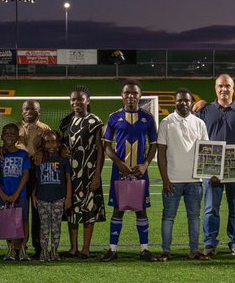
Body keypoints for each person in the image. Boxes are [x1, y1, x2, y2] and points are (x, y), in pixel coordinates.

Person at [195, 74, 235, 256]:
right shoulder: (205, 111)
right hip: (211, 167)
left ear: (233, 88)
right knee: (210, 208)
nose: (224, 89)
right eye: (220, 86)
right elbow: (197, 140)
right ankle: (210, 243)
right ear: (215, 88)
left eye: (227, 86)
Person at [101, 79, 158, 262]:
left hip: (140, 172)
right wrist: (118, 163)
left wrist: (145, 164)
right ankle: (112, 249)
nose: (131, 96)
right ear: (122, 96)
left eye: (134, 93)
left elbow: (154, 145)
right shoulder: (114, 117)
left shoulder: (148, 118)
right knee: (118, 209)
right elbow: (107, 146)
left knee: (141, 210)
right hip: (120, 172)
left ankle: (144, 250)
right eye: (127, 93)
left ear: (140, 96)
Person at [157, 88, 210, 261]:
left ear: (191, 102)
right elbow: (161, 155)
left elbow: (206, 152)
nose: (183, 103)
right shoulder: (166, 122)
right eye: (180, 100)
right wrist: (166, 180)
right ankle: (166, 251)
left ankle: (194, 250)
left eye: (187, 100)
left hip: (194, 181)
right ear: (175, 102)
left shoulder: (199, 123)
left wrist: (209, 173)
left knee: (194, 217)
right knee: (168, 217)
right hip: (173, 180)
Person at [58, 86, 106, 259]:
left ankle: (85, 248)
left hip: (89, 172)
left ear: (88, 101)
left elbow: (101, 150)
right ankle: (73, 248)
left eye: (80, 99)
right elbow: (62, 145)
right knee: (71, 210)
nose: (76, 102)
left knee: (88, 210)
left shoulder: (95, 122)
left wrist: (97, 175)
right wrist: (62, 150)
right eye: (73, 100)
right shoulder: (67, 122)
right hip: (71, 174)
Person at [19, 100, 53, 258]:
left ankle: (39, 246)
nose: (28, 111)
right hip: (20, 173)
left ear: (39, 112)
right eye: (26, 109)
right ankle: (19, 245)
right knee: (20, 209)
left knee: (38, 210)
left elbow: (52, 150)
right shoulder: (16, 128)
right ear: (22, 111)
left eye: (32, 109)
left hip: (38, 173)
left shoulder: (45, 129)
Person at [0, 123, 32, 261]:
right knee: (6, 220)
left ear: (18, 137)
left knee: (23, 221)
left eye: (12, 133)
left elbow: (26, 175)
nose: (9, 135)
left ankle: (22, 248)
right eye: (6, 133)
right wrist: (1, 193)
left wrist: (17, 193)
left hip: (20, 194)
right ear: (2, 136)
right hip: (4, 194)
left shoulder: (23, 154)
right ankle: (10, 249)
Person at [32, 130, 72, 262]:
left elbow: (68, 180)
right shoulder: (38, 160)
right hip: (42, 198)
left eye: (53, 141)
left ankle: (54, 251)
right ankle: (44, 251)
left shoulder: (63, 161)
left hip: (58, 198)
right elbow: (36, 180)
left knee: (56, 226)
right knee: (43, 226)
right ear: (43, 144)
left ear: (58, 144)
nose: (50, 145)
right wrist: (34, 195)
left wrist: (68, 197)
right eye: (46, 142)